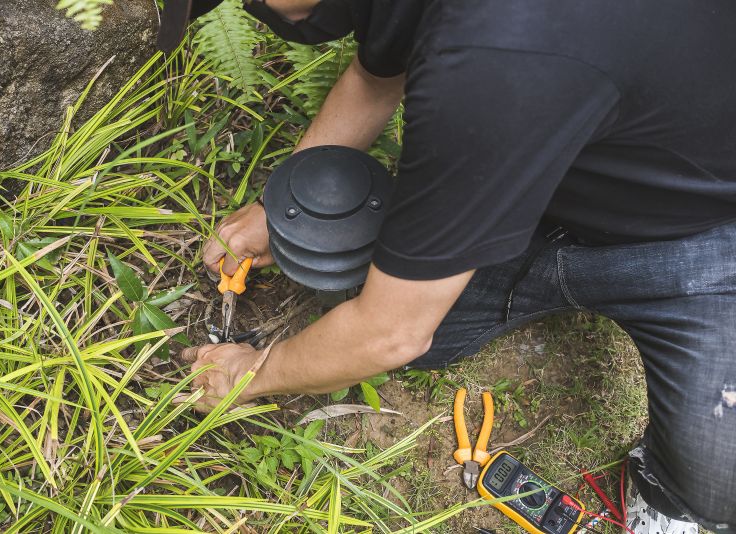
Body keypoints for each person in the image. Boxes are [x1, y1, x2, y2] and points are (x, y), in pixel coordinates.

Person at [168, 1, 736, 532]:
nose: (254, 10)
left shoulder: (490, 64)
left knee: (717, 488)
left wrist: (252, 373)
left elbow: (389, 334)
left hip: (699, 235)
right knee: (353, 299)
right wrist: (287, 209)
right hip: (527, 207)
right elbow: (374, 78)